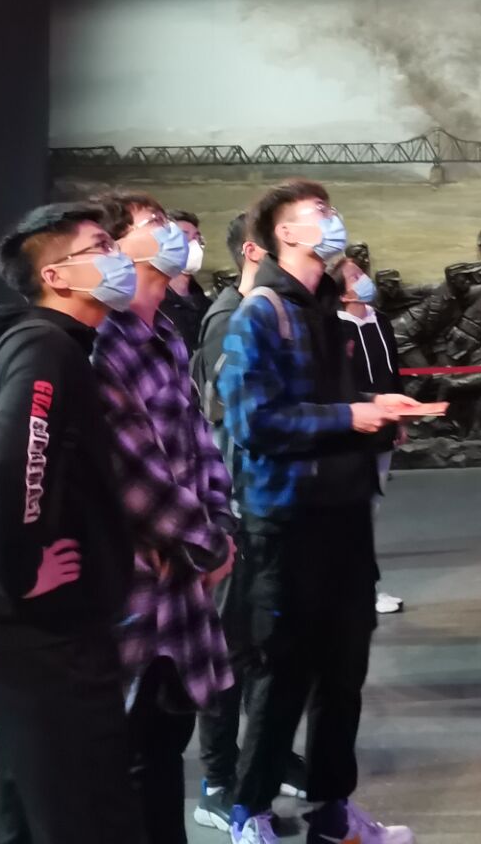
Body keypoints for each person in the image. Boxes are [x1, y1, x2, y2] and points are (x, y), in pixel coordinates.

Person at [216, 181, 417, 844]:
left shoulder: (329, 311)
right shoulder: (260, 313)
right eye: (319, 213)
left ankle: (333, 812)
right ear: (285, 235)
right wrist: (352, 416)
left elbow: (335, 406)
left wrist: (380, 413)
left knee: (344, 674)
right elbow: (253, 422)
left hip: (345, 516)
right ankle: (250, 812)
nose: (334, 221)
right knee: (281, 676)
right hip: (287, 522)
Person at [0, 203, 141, 844]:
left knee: (28, 796)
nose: (118, 258)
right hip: (38, 625)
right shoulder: (45, 348)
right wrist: (23, 568)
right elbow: (16, 461)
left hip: (35, 623)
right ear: (56, 276)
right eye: (101, 247)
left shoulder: (58, 345)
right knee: (78, 804)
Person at [90, 193, 236, 844]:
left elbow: (200, 441)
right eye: (154, 225)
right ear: (117, 248)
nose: (174, 233)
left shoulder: (166, 336)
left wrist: (219, 525)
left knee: (166, 736)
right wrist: (206, 542)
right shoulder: (103, 343)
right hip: (138, 578)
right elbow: (133, 469)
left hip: (183, 576)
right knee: (130, 746)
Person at [194, 214, 305, 832]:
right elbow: (235, 417)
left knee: (270, 644)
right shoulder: (230, 317)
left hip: (268, 505)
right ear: (257, 249)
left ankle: (267, 753)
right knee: (230, 649)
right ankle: (217, 777)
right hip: (236, 507)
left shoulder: (274, 311)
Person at [337, 256, 407, 616]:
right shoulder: (335, 327)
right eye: (354, 276)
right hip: (353, 430)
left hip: (384, 429)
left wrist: (400, 420)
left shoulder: (381, 321)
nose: (363, 279)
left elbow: (393, 373)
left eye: (361, 272)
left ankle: (365, 586)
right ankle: (357, 589)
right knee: (354, 513)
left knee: (372, 509)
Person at [161, 210, 211, 354]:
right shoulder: (156, 308)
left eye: (197, 237)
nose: (194, 243)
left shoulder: (206, 304)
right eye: (183, 236)